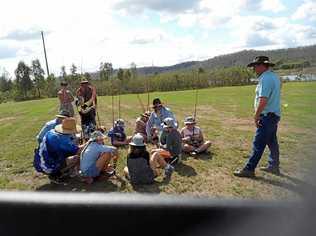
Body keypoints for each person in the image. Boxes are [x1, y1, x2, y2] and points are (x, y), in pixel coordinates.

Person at [234, 56, 281, 178]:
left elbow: (263, 99)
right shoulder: (274, 77)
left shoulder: (265, 78)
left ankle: (249, 169)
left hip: (267, 116)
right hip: (274, 115)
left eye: (255, 66)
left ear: (262, 66)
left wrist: (256, 116)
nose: (254, 68)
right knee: (272, 142)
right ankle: (274, 165)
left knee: (258, 143)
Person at [34, 117, 83, 183]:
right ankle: (55, 174)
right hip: (46, 165)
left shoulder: (52, 132)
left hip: (39, 160)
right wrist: (89, 141)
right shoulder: (61, 140)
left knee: (70, 153)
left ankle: (58, 171)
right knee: (76, 157)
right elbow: (77, 149)